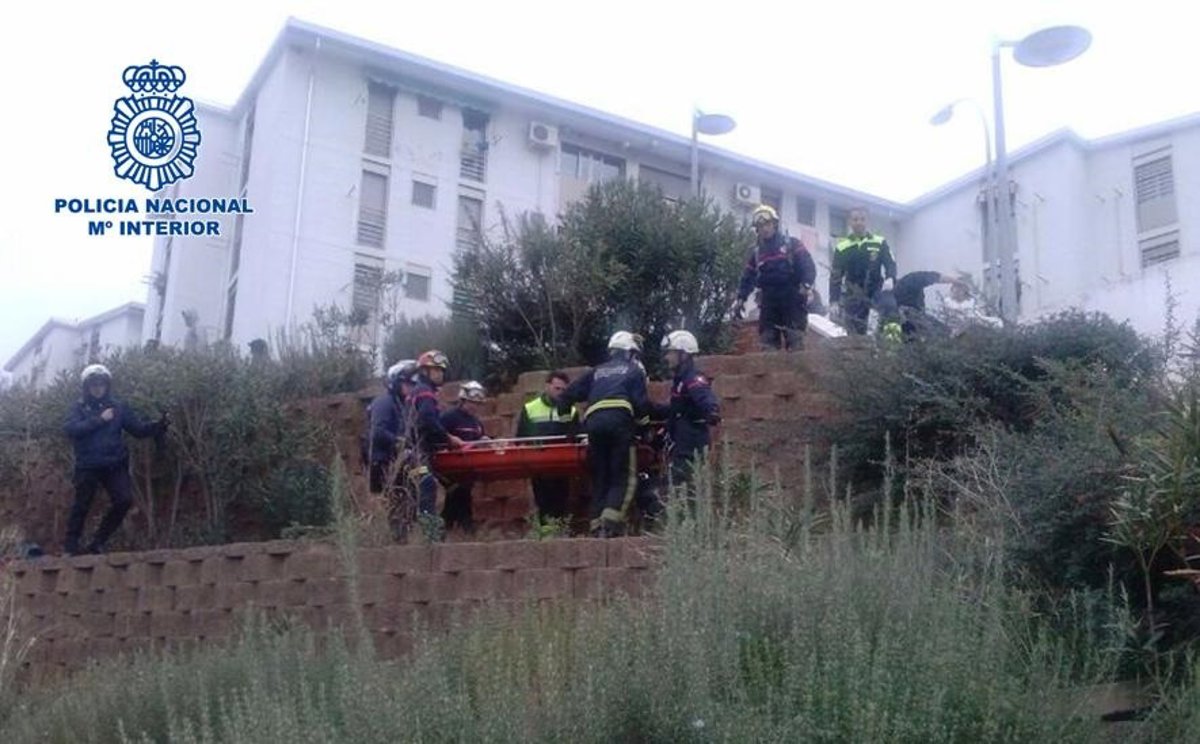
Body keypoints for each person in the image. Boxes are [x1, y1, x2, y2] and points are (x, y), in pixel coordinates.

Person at [62, 364, 169, 555]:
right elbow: (71, 430)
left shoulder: (118, 407)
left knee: (124, 500)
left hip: (114, 464)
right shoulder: (79, 407)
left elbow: (138, 430)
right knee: (82, 505)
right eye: (94, 384)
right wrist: (100, 420)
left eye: (101, 384)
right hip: (87, 465)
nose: (98, 388)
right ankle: (70, 547)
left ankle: (98, 542)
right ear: (87, 386)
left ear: (107, 385)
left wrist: (158, 426)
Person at [554, 331, 652, 537]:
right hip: (619, 424)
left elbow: (564, 398)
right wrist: (644, 430)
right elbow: (641, 405)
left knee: (601, 477)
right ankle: (611, 524)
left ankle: (596, 525)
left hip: (594, 425)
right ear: (629, 353)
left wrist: (570, 429)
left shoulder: (596, 372)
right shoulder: (634, 371)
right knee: (623, 476)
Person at [735, 204, 817, 351]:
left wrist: (806, 284)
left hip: (792, 299)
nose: (764, 229)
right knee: (767, 344)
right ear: (757, 230)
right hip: (768, 301)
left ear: (774, 224)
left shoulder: (792, 244)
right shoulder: (757, 253)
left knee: (795, 342)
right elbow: (748, 276)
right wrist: (741, 298)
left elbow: (808, 265)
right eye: (760, 226)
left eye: (767, 224)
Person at [655, 330, 721, 502]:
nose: (667, 357)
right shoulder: (680, 380)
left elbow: (704, 397)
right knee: (676, 484)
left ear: (683, 354)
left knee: (681, 485)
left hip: (691, 442)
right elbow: (677, 408)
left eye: (670, 353)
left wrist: (712, 411)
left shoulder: (692, 378)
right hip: (682, 440)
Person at [515, 370, 579, 521]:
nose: (560, 393)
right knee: (543, 504)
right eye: (557, 388)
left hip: (562, 465)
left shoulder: (571, 411)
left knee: (561, 503)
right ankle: (545, 532)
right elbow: (521, 438)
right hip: (539, 465)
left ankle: (558, 531)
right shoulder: (530, 408)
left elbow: (576, 436)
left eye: (563, 390)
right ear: (547, 386)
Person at [409, 350, 465, 522]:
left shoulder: (420, 391)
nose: (440, 374)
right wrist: (449, 439)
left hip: (417, 451)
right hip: (418, 453)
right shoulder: (425, 392)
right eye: (436, 370)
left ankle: (444, 526)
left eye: (441, 370)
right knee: (426, 489)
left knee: (449, 485)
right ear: (425, 371)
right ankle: (430, 533)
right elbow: (428, 421)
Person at [830, 207, 897, 335]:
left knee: (890, 306)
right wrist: (834, 300)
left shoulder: (879, 242)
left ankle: (891, 340)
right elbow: (836, 276)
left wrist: (890, 277)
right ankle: (857, 346)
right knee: (855, 329)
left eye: (862, 219)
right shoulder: (842, 247)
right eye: (855, 219)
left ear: (867, 221)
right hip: (853, 292)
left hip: (876, 287)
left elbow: (890, 263)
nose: (859, 222)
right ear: (850, 222)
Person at [440, 381, 488, 532]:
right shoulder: (449, 417)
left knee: (462, 496)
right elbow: (437, 435)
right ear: (463, 400)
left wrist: (484, 441)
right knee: (457, 494)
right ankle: (463, 528)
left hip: (467, 469)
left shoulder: (476, 423)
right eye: (471, 403)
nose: (474, 407)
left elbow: (477, 441)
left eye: (477, 404)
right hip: (450, 468)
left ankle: (451, 529)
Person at [365, 359, 417, 494]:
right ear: (396, 383)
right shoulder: (384, 402)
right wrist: (400, 441)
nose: (411, 388)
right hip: (383, 464)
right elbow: (378, 431)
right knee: (395, 499)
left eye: (413, 384)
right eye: (407, 384)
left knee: (422, 479)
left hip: (398, 462)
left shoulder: (401, 404)